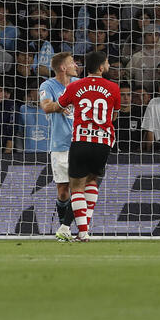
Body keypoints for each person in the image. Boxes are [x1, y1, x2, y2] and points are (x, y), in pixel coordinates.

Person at [54, 50, 121, 241]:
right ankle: (77, 229)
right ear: (101, 67)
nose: (108, 65)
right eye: (107, 62)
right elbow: (113, 116)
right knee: (92, 182)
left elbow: (61, 105)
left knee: (76, 188)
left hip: (81, 140)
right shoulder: (114, 88)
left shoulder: (76, 86)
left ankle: (82, 232)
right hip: (103, 142)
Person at [38, 51, 79, 241]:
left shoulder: (80, 85)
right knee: (63, 192)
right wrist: (65, 102)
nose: (76, 66)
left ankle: (67, 228)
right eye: (72, 63)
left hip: (80, 143)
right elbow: (46, 106)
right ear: (63, 68)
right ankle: (64, 229)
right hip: (60, 144)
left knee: (79, 187)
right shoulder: (48, 85)